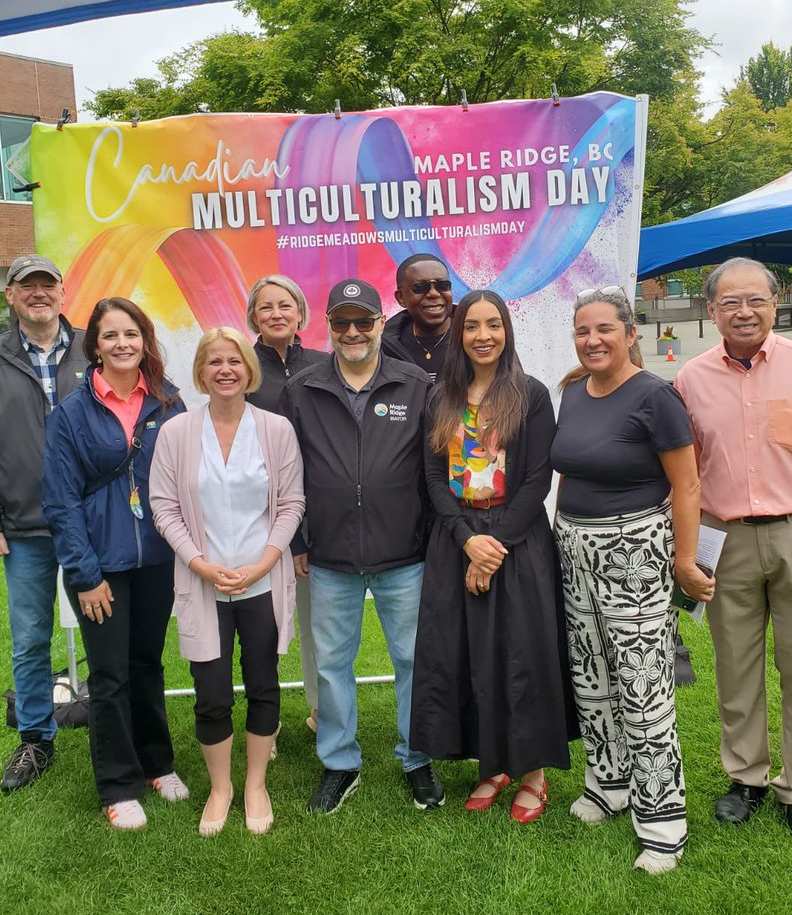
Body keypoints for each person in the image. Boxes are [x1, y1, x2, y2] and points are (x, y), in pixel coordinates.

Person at [675, 258, 792, 846]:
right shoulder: (690, 380)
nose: (743, 312)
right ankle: (745, 777)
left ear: (777, 304)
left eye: (755, 300)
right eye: (730, 303)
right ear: (711, 311)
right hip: (726, 537)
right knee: (736, 663)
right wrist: (688, 551)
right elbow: (687, 475)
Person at [551, 286, 712, 874]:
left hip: (636, 550)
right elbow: (566, 474)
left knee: (642, 685)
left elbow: (687, 486)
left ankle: (662, 819)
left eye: (604, 330)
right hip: (573, 546)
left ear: (630, 332)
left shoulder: (655, 397)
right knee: (591, 673)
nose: (592, 340)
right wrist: (557, 539)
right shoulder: (571, 391)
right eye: (582, 330)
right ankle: (609, 781)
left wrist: (686, 562)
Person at [410, 290, 575, 822]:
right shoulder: (441, 396)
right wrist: (466, 541)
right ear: (458, 334)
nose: (484, 335)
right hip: (457, 540)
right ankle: (491, 766)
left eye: (494, 325)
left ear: (507, 331)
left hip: (516, 542)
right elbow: (434, 477)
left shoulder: (529, 394)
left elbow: (536, 479)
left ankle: (532, 775)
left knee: (521, 655)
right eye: (472, 326)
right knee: (469, 656)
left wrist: (493, 546)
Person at [281, 278, 445, 814]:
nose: (352, 332)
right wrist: (301, 538)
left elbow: (435, 469)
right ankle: (338, 762)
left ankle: (417, 756)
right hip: (329, 554)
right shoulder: (302, 388)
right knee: (330, 662)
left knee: (413, 658)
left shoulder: (416, 384)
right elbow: (290, 472)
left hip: (404, 553)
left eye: (363, 321)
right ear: (326, 326)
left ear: (380, 323)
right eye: (341, 322)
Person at [150, 328, 305, 836]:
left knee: (264, 687)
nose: (225, 370)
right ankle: (222, 788)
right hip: (204, 585)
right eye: (214, 362)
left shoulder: (276, 429)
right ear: (200, 372)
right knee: (212, 694)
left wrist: (263, 563)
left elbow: (292, 504)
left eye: (234, 361)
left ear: (248, 370)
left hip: (261, 582)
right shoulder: (176, 433)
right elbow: (163, 506)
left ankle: (256, 784)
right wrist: (198, 563)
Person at [42, 297, 188, 831]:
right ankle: (118, 784)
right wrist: (84, 575)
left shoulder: (169, 404)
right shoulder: (70, 415)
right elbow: (59, 501)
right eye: (110, 336)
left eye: (132, 334)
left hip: (156, 559)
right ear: (94, 347)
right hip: (99, 565)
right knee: (109, 675)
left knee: (147, 664)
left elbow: (185, 482)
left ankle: (158, 763)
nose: (122, 344)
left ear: (145, 340)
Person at [0, 254, 86, 793]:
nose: (38, 293)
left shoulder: (93, 347)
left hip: (89, 523)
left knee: (109, 635)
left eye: (47, 284)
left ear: (62, 292)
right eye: (26, 286)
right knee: (31, 637)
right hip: (26, 526)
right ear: (10, 296)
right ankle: (35, 738)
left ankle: (123, 733)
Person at [246, 274, 329, 733]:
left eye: (285, 305)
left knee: (319, 626)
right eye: (266, 307)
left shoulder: (324, 364)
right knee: (264, 628)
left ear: (300, 312)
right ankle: (267, 722)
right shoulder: (243, 367)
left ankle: (321, 711)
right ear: (253, 317)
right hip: (257, 517)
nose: (276, 314)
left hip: (317, 517)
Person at [382, 254, 455, 382]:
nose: (433, 293)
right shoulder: (384, 350)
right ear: (401, 298)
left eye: (442, 286)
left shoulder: (472, 339)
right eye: (420, 287)